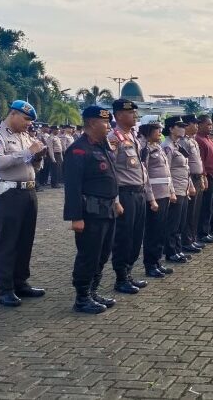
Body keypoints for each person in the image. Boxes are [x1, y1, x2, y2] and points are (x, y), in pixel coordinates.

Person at [0, 100, 46, 307]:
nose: (29, 124)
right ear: (13, 114)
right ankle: (5, 289)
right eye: (26, 119)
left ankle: (21, 283)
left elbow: (34, 165)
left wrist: (37, 157)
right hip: (8, 193)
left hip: (28, 192)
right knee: (8, 242)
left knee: (25, 241)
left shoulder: (25, 136)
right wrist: (28, 153)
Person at [63, 105, 121, 314]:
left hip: (108, 210)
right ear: (92, 123)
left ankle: (93, 291)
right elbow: (72, 187)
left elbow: (110, 178)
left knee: (103, 253)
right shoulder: (79, 149)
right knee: (89, 254)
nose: (108, 127)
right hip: (91, 212)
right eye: (105, 122)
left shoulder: (102, 147)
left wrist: (116, 201)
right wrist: (75, 218)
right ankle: (82, 297)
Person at [109, 99, 150, 294]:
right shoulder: (114, 137)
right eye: (131, 113)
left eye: (135, 112)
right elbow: (110, 170)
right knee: (124, 237)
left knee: (136, 236)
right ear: (118, 115)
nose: (135, 115)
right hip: (125, 193)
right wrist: (115, 199)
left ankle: (129, 272)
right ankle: (121, 278)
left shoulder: (132, 136)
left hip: (139, 193)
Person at [139, 122, 176, 278]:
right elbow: (144, 176)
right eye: (157, 131)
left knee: (160, 231)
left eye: (161, 130)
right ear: (148, 133)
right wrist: (151, 199)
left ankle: (157, 262)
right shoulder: (145, 150)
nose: (160, 133)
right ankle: (150, 265)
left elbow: (167, 173)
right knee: (152, 233)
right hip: (155, 196)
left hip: (165, 194)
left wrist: (171, 191)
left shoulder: (159, 148)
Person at [161, 116, 191, 264]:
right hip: (175, 190)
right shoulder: (167, 146)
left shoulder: (177, 145)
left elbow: (185, 168)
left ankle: (178, 249)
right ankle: (171, 251)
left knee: (180, 222)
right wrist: (171, 191)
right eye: (180, 126)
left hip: (183, 188)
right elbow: (166, 172)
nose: (183, 128)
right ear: (171, 128)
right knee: (173, 223)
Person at [179, 114, 205, 254]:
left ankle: (192, 238)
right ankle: (187, 241)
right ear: (187, 125)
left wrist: (201, 177)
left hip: (197, 177)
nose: (196, 126)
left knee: (195, 212)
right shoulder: (183, 141)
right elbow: (185, 164)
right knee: (189, 212)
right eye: (194, 123)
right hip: (189, 179)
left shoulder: (192, 140)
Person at [196, 114, 213, 244]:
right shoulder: (199, 139)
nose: (210, 127)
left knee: (211, 205)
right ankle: (202, 232)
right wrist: (204, 176)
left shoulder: (208, 138)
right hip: (208, 176)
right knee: (205, 206)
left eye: (211, 124)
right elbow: (200, 161)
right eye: (208, 124)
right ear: (199, 125)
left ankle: (207, 230)